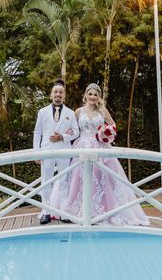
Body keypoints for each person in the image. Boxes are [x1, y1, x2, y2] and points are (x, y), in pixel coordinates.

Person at [51, 83, 149, 226]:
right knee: (78, 178)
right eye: (90, 94)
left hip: (100, 148)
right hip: (81, 147)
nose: (92, 97)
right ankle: (78, 210)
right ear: (85, 96)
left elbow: (113, 126)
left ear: (99, 97)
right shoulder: (78, 112)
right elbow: (71, 129)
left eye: (95, 94)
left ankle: (103, 211)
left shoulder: (102, 111)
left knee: (101, 178)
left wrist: (105, 134)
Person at [33, 79, 79, 225]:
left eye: (61, 92)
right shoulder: (42, 112)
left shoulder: (70, 113)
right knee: (46, 181)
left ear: (64, 95)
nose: (58, 94)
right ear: (51, 94)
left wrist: (63, 137)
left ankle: (63, 212)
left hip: (64, 151)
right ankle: (46, 211)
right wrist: (36, 152)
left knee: (64, 181)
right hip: (47, 151)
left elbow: (76, 132)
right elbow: (37, 132)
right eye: (55, 92)